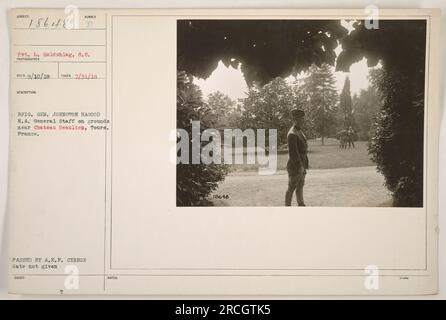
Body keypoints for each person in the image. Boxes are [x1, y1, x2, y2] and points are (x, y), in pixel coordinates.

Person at [285, 108, 309, 206]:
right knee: (291, 187)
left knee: (300, 186)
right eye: (301, 118)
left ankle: (301, 204)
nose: (303, 120)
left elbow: (303, 150)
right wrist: (300, 167)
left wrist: (305, 164)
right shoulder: (292, 134)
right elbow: (293, 154)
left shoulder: (299, 131)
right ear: (295, 119)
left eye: (303, 118)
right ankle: (287, 207)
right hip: (295, 166)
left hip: (301, 164)